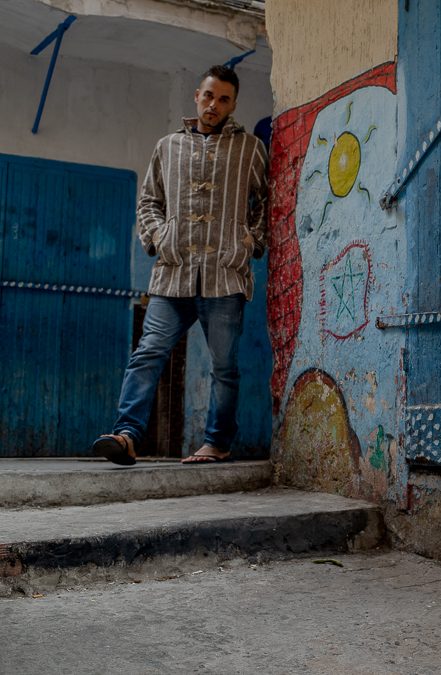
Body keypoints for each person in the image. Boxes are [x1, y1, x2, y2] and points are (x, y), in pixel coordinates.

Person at [92, 65, 268, 466]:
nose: (213, 105)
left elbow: (268, 203)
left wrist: (250, 243)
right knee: (147, 352)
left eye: (223, 99)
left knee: (224, 367)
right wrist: (158, 237)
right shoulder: (167, 146)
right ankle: (126, 436)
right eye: (208, 96)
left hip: (225, 275)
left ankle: (217, 443)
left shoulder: (250, 149)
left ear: (233, 104)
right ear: (196, 95)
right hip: (174, 273)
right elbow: (149, 201)